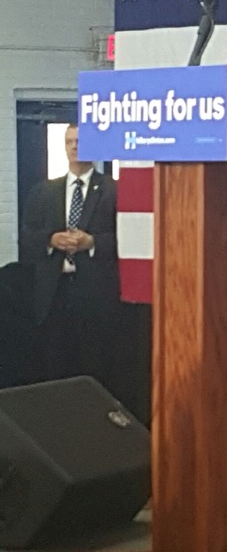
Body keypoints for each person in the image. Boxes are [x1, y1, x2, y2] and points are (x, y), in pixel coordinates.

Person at [20, 123, 121, 391]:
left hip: (95, 293)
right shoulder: (44, 191)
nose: (75, 146)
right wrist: (51, 240)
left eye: (80, 141)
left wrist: (92, 242)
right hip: (54, 294)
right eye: (70, 141)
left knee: (95, 367)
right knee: (55, 367)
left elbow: (130, 240)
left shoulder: (114, 190)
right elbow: (26, 239)